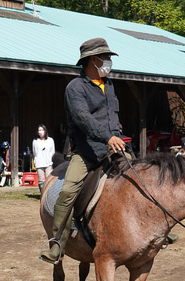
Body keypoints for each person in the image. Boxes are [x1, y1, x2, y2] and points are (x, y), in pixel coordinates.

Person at [40, 38, 126, 264]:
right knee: (68, 191)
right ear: (92, 60)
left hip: (113, 148)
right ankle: (57, 242)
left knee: (143, 177)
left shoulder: (109, 84)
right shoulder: (75, 88)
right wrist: (108, 137)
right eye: (105, 57)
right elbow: (83, 118)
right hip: (86, 152)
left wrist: (116, 132)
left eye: (108, 57)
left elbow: (112, 115)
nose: (108, 61)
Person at [32, 124, 55, 193]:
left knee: (49, 178)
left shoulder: (50, 140)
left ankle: (49, 193)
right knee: (41, 180)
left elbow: (52, 151)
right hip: (39, 163)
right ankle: (42, 194)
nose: (40, 132)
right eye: (39, 130)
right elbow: (34, 152)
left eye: (42, 130)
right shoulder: (35, 141)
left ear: (45, 131)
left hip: (49, 162)